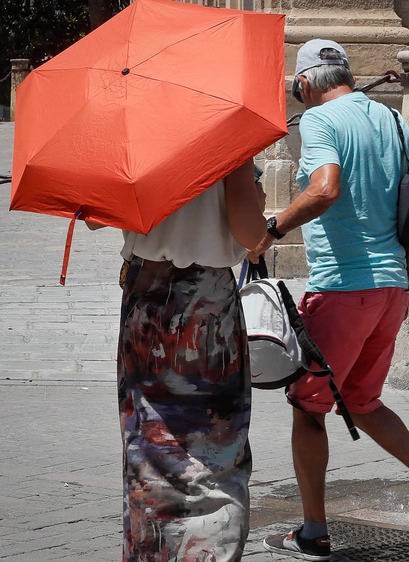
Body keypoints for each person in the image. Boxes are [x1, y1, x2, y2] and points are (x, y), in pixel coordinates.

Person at [253, 40, 409, 561]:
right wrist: (403, 273)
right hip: (391, 288)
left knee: (308, 407)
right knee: (360, 399)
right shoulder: (393, 121)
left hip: (343, 287)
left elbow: (326, 189)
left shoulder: (321, 121)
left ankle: (312, 530)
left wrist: (272, 228)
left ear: (305, 84)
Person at [110, 159, 265, 561]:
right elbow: (251, 234)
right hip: (207, 304)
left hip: (147, 297)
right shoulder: (229, 138)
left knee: (148, 446)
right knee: (213, 453)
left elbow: (97, 214)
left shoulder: (135, 135)